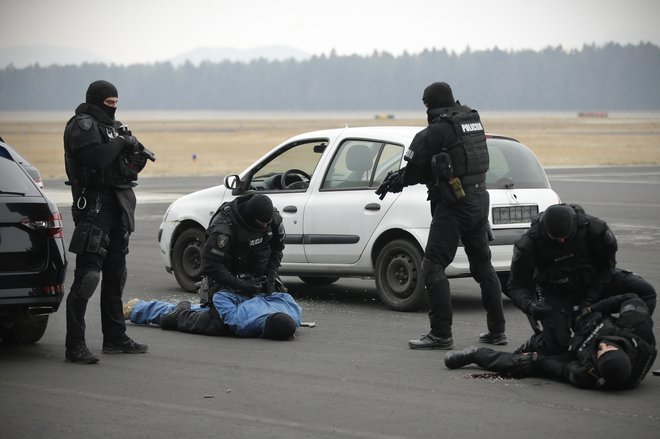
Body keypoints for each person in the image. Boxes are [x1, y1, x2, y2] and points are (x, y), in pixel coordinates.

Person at [376, 81, 506, 349]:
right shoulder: (472, 120)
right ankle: (497, 331)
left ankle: (441, 334)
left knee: (433, 265)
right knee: (483, 266)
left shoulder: (436, 131)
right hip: (479, 198)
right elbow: (455, 158)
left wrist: (395, 181)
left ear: (430, 103)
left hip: (454, 205)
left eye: (425, 104)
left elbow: (413, 172)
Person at [63, 80, 151, 364]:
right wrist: (119, 142)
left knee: (116, 275)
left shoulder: (116, 128)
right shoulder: (82, 125)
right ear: (97, 100)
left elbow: (129, 165)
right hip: (94, 208)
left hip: (119, 207)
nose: (113, 107)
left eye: (116, 103)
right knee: (88, 277)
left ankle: (115, 337)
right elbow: (97, 159)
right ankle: (75, 344)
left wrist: (135, 151)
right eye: (109, 103)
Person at [507, 203, 656, 355]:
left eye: (566, 236)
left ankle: (623, 337)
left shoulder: (595, 229)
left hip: (595, 283)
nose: (562, 241)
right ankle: (537, 343)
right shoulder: (529, 243)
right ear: (545, 231)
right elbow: (516, 284)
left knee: (645, 292)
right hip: (558, 292)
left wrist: (591, 297)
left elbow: (607, 267)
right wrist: (530, 305)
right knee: (555, 347)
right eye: (556, 238)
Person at [141, 193, 289, 336]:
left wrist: (269, 278)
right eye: (261, 223)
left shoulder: (273, 219)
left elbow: (277, 249)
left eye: (267, 223)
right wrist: (241, 285)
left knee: (282, 317)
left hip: (258, 278)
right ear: (250, 217)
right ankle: (181, 314)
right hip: (227, 281)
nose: (265, 226)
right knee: (218, 325)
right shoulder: (224, 227)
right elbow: (211, 266)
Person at [443, 294, 657, 390]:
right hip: (587, 316)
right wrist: (593, 308)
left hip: (575, 350)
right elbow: (631, 298)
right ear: (623, 348)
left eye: (600, 352)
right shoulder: (638, 327)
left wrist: (537, 361)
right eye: (607, 347)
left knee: (525, 364)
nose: (601, 346)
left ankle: (475, 354)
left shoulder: (587, 374)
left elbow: (559, 370)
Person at [122, 290, 301, 340]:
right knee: (179, 316)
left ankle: (137, 308)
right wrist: (242, 291)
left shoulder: (293, 311)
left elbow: (282, 292)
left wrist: (250, 293)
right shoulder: (245, 322)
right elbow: (220, 297)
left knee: (182, 313)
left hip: (235, 303)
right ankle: (136, 309)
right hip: (228, 305)